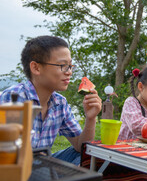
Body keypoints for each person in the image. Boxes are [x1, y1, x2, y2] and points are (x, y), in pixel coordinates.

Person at [0, 35, 102, 165]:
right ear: (36, 68)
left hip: (42, 164)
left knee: (87, 156)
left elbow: (79, 145)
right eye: (63, 65)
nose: (69, 72)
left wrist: (91, 118)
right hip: (14, 168)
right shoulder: (11, 98)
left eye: (70, 66)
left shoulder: (60, 103)